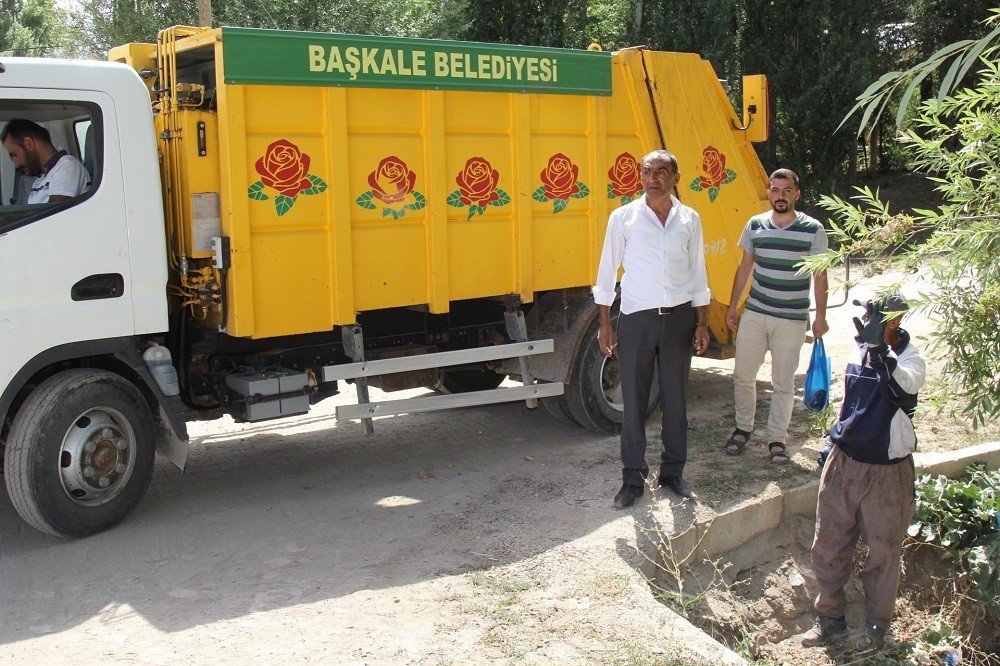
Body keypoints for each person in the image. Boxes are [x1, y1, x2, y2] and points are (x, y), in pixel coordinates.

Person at [801, 293, 925, 652]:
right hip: (845, 463)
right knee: (829, 544)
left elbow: (902, 390)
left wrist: (881, 352)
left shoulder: (911, 360)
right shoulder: (858, 352)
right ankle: (829, 620)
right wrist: (832, 442)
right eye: (868, 316)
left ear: (895, 323)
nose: (868, 323)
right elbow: (851, 401)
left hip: (886, 473)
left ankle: (875, 628)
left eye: (877, 318)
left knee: (883, 553)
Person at [593, 150, 711, 509]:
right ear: (640, 177)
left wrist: (702, 322)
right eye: (647, 171)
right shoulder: (624, 218)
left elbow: (697, 273)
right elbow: (607, 270)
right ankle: (632, 479)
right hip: (637, 319)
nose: (653, 178)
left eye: (662, 171)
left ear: (676, 177)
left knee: (675, 399)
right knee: (634, 400)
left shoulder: (689, 219)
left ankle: (673, 474)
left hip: (678, 319)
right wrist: (603, 323)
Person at [724, 169, 829, 464]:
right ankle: (743, 428)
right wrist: (733, 306)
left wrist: (820, 317)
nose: (779, 196)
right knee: (743, 376)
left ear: (797, 194)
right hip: (756, 313)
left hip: (792, 318)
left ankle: (777, 439)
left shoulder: (813, 229)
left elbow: (820, 277)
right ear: (768, 192)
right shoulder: (755, 225)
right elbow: (745, 267)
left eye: (786, 190)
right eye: (774, 190)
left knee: (782, 382)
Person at [2, 118, 90, 204]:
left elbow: (56, 213)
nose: (16, 164)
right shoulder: (41, 179)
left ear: (28, 144)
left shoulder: (68, 166)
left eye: (14, 155)